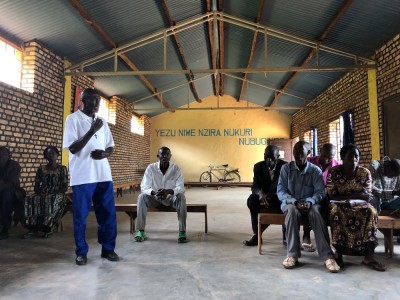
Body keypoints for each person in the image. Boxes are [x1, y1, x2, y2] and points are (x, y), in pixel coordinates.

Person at [63, 88, 119, 265]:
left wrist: (104, 154)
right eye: (93, 100)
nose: (97, 104)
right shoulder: (73, 119)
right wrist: (91, 130)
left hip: (103, 174)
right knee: (80, 216)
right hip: (83, 176)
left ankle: (108, 249)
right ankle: (81, 252)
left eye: (98, 101)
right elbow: (73, 148)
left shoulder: (102, 121)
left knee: (108, 215)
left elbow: (110, 146)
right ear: (83, 100)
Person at [277, 141, 339, 272]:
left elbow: (320, 192)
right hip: (291, 204)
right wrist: (294, 201)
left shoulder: (314, 170)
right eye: (295, 150)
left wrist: (310, 201)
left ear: (309, 153)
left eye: (301, 150)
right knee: (292, 212)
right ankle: (292, 255)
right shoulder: (286, 169)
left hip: (309, 204)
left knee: (316, 212)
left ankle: (328, 256)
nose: (297, 153)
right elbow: (281, 191)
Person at [327, 144, 385, 272]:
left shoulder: (365, 173)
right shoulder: (334, 172)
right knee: (336, 211)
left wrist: (349, 196)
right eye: (350, 157)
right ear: (342, 157)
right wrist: (355, 195)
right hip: (339, 204)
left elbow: (367, 196)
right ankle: (339, 253)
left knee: (370, 211)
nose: (354, 159)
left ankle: (369, 256)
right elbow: (332, 195)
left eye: (356, 157)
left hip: (359, 204)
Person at [135, 146, 187, 243]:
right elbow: (144, 187)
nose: (165, 156)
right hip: (155, 198)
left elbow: (181, 188)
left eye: (167, 154)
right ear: (158, 156)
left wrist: (168, 191)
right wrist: (154, 193)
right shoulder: (151, 168)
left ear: (170, 156)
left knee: (181, 197)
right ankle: (141, 231)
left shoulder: (176, 169)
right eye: (162, 154)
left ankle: (182, 232)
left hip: (170, 198)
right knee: (141, 197)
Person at [243, 145, 287, 246]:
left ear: (278, 156)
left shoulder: (285, 166)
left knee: (287, 202)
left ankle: (286, 236)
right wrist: (260, 194)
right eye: (266, 157)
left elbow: (287, 186)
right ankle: (257, 235)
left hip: (279, 197)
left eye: (272, 157)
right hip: (263, 197)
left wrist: (274, 195)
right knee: (252, 200)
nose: (269, 160)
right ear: (263, 155)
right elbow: (255, 186)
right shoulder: (258, 166)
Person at [301, 143, 340, 252]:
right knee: (308, 204)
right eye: (324, 156)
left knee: (333, 209)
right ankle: (306, 235)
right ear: (320, 152)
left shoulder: (337, 166)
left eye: (330, 157)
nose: (327, 160)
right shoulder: (309, 162)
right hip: (311, 193)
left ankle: (334, 240)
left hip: (328, 196)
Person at [24, 146, 68, 238]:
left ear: (57, 155)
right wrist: (39, 192)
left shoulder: (62, 169)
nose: (51, 155)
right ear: (45, 156)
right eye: (48, 153)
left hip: (57, 193)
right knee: (30, 199)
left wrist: (54, 193)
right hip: (43, 192)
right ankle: (33, 228)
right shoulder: (41, 168)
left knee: (51, 200)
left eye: (53, 153)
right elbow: (36, 185)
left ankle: (48, 228)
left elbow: (64, 187)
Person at [0, 146, 25, 239]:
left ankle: (5, 228)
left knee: (6, 196)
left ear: (8, 156)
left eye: (4, 154)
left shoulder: (14, 165)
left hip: (14, 193)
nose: (1, 156)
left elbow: (11, 182)